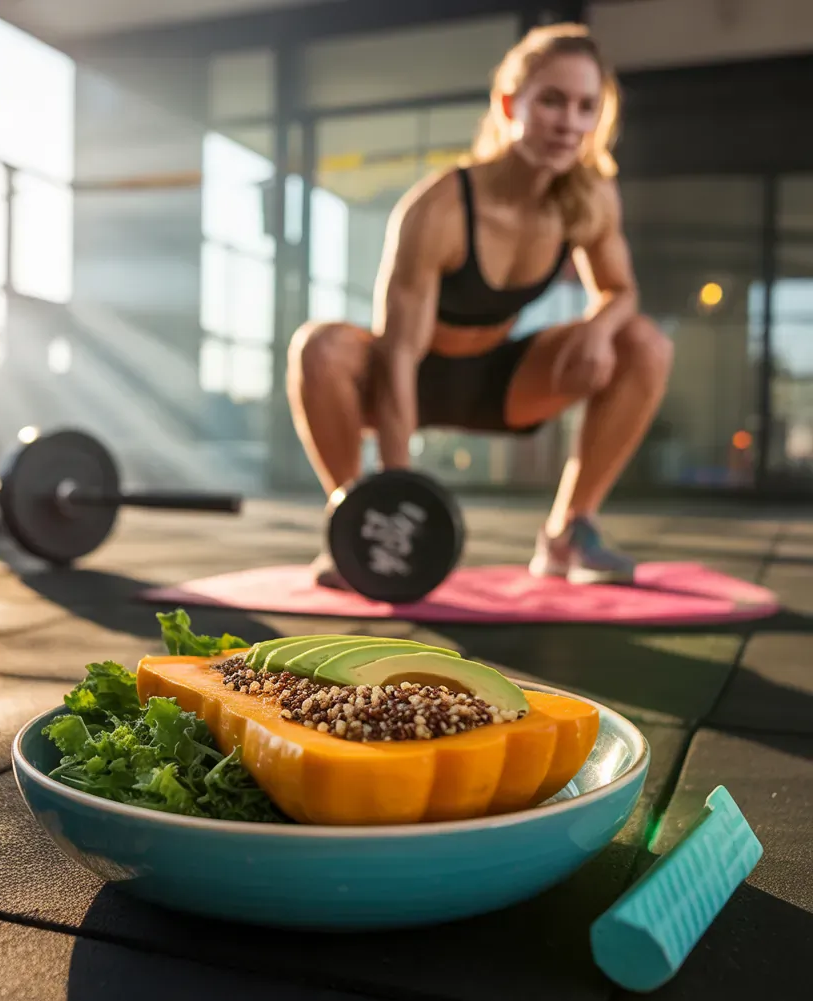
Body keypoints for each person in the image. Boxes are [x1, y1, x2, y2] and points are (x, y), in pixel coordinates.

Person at [287, 22, 673, 588]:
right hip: (409, 375)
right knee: (319, 347)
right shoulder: (440, 208)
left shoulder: (589, 195)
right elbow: (397, 356)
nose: (569, 122)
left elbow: (621, 290)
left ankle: (570, 532)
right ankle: (357, 525)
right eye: (552, 101)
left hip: (500, 385)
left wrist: (597, 325)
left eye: (586, 106)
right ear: (509, 103)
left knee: (644, 342)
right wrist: (400, 497)